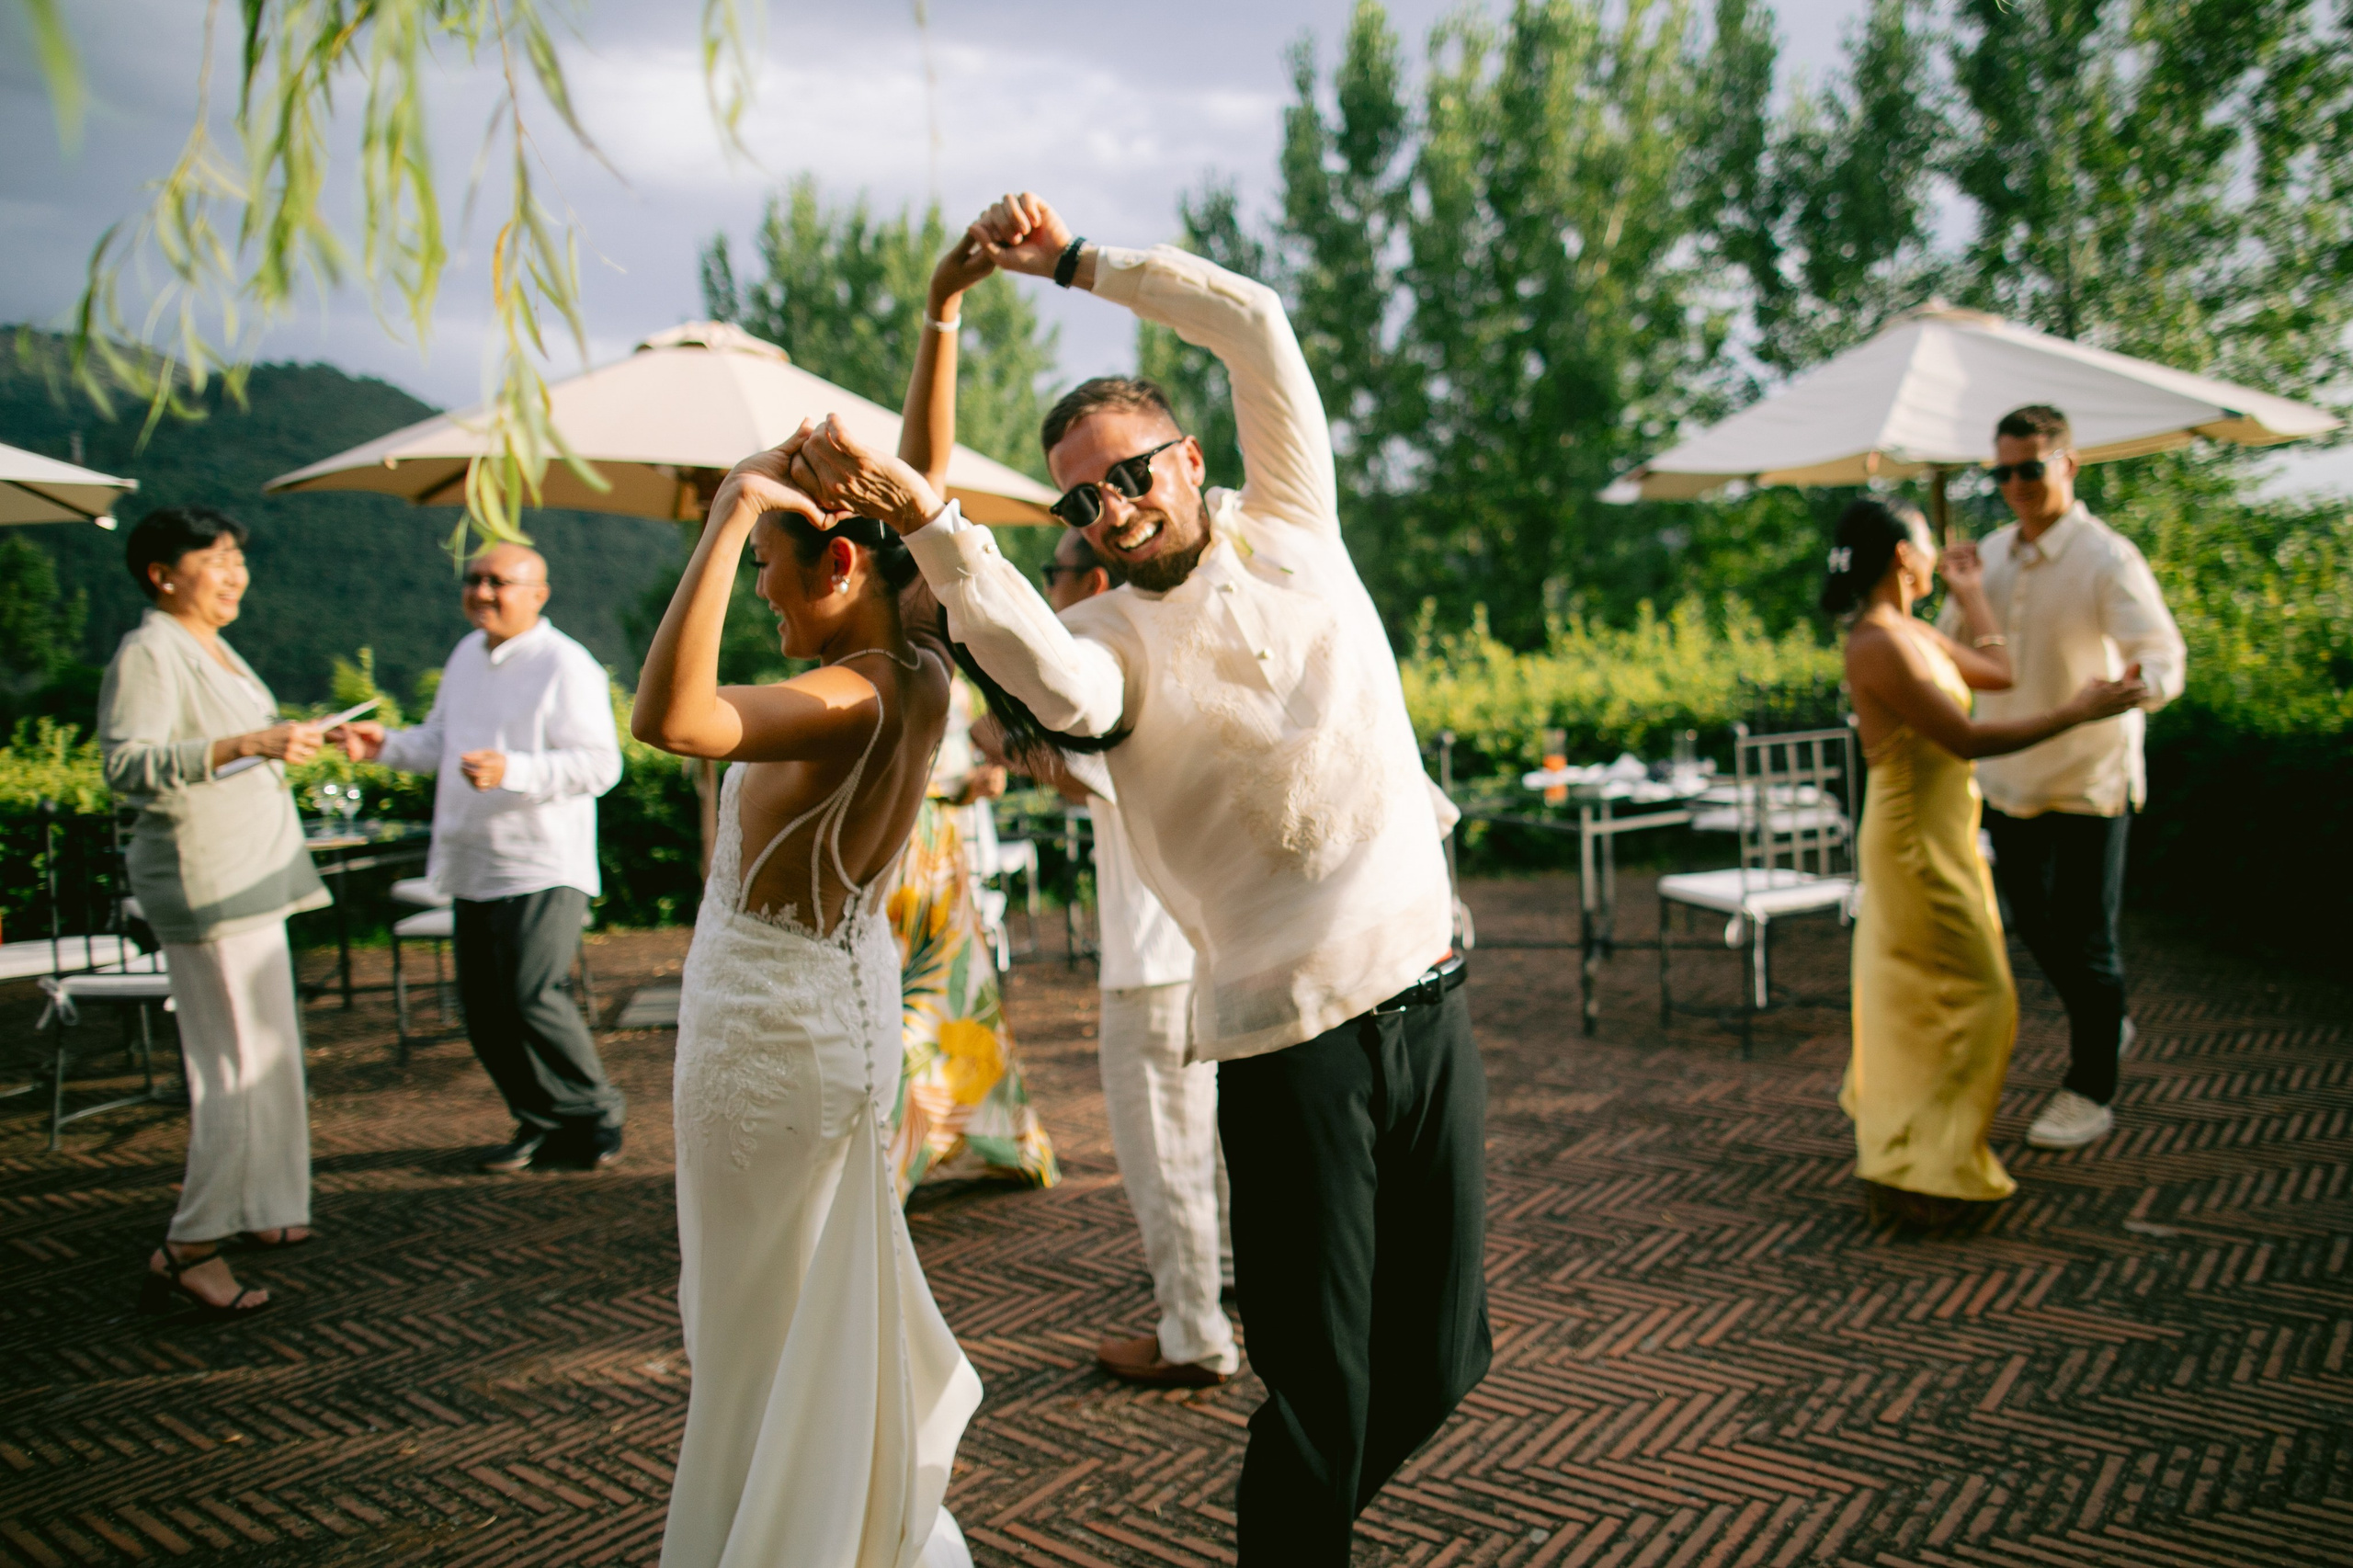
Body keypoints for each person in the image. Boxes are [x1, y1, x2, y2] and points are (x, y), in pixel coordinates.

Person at [790, 193, 1481, 1566]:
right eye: (1084, 497)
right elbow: (1049, 678)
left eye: (1131, 473)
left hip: (1432, 990)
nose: (1111, 506)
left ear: (1191, 457)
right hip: (1290, 1046)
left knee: (1444, 1358)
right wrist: (935, 518)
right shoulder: (1100, 636)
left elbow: (1257, 323)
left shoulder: (1296, 522)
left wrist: (1074, 265)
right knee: (1319, 1383)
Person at [629, 242, 994, 1562]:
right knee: (794, 1310)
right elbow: (923, 504)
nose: (764, 597)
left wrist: (730, 511)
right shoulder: (921, 662)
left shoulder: (851, 699)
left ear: (831, 565)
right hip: (818, 1021)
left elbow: (669, 716)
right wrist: (940, 311)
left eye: (777, 568)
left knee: (749, 1325)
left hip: (770, 1041)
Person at [1831, 499, 2147, 1225]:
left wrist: (1972, 597)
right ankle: (1920, 1164)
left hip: (1946, 834)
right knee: (1976, 999)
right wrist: (2077, 711)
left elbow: (2000, 671)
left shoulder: (1911, 630)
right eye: (1927, 545)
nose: (1937, 554)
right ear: (1904, 558)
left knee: (1936, 999)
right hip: (1912, 838)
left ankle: (1915, 1159)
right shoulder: (1876, 642)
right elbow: (1967, 739)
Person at [983, 528, 1238, 1387]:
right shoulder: (1177, 651)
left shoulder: (1110, 673)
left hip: (1157, 960)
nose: (1050, 588)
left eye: (1053, 573)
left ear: (1092, 577)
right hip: (1206, 946)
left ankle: (1193, 1333)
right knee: (1202, 1141)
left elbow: (1012, 741)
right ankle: (1221, 1276)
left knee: (1164, 1153)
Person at [100, 506, 331, 1318]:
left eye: (238, 558)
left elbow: (232, 742)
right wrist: (250, 746)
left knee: (270, 1053)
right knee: (231, 1066)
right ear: (163, 574)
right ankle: (191, 1246)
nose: (234, 574)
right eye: (215, 560)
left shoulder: (211, 646)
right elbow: (127, 765)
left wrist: (278, 743)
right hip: (204, 882)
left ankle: (266, 1206)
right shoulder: (149, 650)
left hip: (251, 874)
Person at [1938, 405, 2186, 1152]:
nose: (2014, 484)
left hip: (2088, 775)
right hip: (2008, 771)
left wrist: (2140, 686)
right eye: (2002, 471)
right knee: (2032, 924)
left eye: (2030, 469)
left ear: (2068, 466)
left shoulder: (2108, 558)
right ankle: (2102, 1017)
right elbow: (1949, 649)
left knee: (2087, 938)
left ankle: (2091, 1087)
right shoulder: (1988, 554)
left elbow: (2162, 653)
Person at [335, 544, 625, 1173]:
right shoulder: (467, 654)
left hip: (541, 862)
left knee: (530, 996)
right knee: (485, 1010)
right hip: (472, 860)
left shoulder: (566, 665)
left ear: (538, 594)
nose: (484, 592)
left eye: (500, 582)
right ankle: (539, 1121)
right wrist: (382, 745)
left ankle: (595, 1117)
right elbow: (441, 742)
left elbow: (601, 765)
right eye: (475, 580)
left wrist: (512, 769)